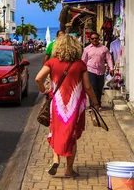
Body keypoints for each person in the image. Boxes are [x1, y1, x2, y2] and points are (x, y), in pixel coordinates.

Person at [35, 35, 100, 178]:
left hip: (57, 105)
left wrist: (43, 90)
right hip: (75, 106)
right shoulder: (80, 64)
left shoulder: (51, 63)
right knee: (72, 135)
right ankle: (69, 170)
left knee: (56, 131)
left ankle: (56, 159)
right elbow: (88, 87)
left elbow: (38, 78)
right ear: (76, 48)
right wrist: (95, 102)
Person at [82, 32, 113, 109]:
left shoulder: (104, 48)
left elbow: (109, 59)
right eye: (93, 38)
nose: (95, 40)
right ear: (90, 40)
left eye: (96, 38)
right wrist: (82, 71)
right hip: (90, 70)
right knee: (93, 87)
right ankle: (92, 104)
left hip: (101, 71)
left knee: (99, 88)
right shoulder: (86, 49)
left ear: (99, 39)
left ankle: (98, 103)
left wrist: (111, 68)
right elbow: (83, 61)